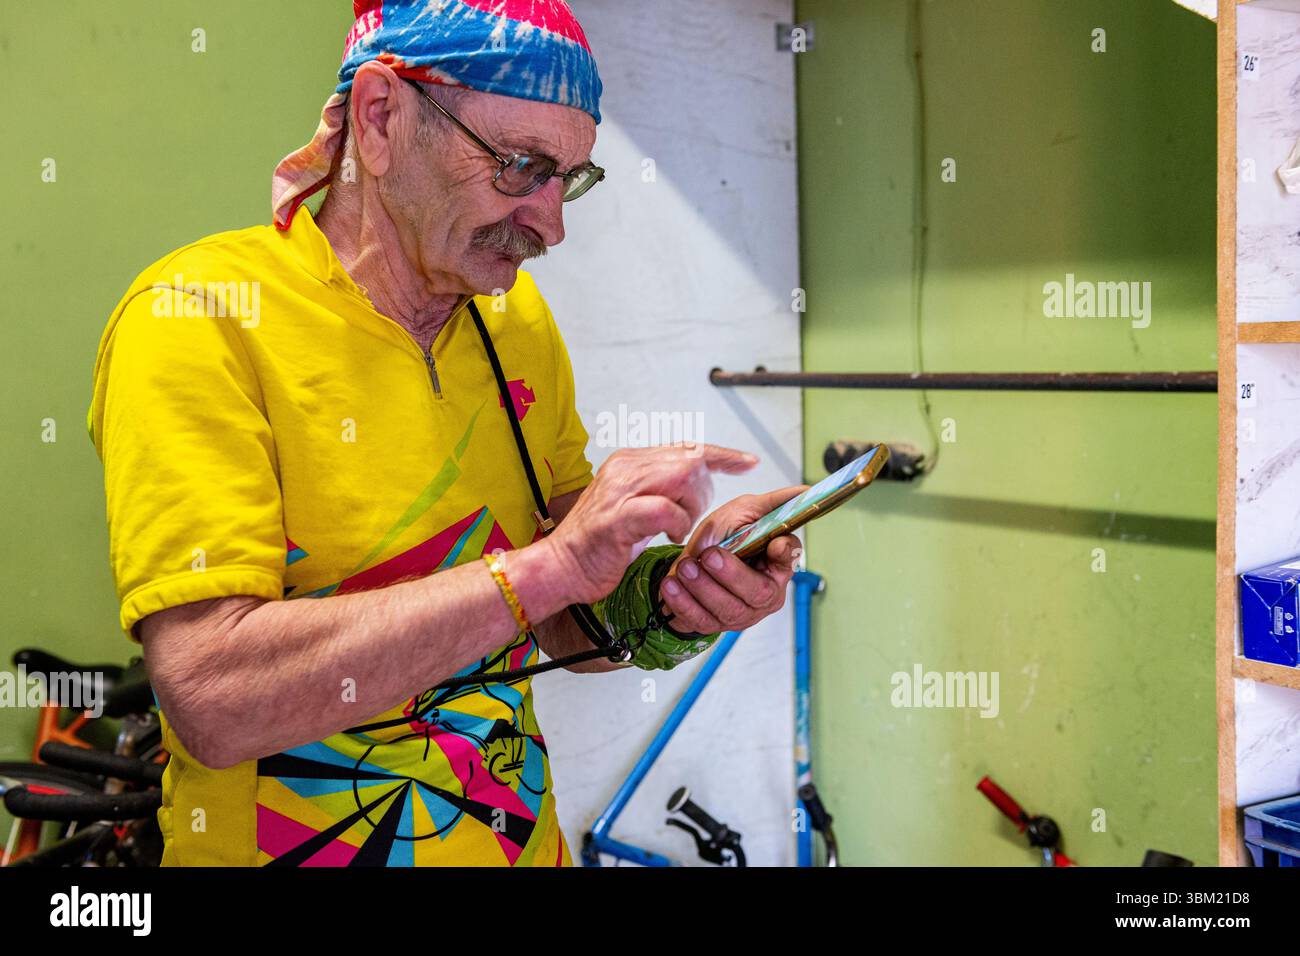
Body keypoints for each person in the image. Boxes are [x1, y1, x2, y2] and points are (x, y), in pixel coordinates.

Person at [88, 0, 801, 867]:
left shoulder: (514, 319)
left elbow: (569, 621)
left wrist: (682, 593)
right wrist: (549, 567)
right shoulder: (200, 317)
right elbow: (215, 698)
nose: (552, 222)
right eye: (519, 165)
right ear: (381, 117)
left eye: (567, 178)